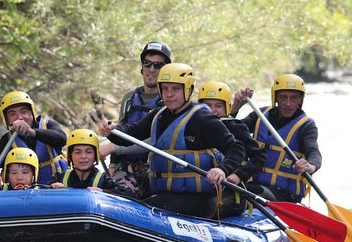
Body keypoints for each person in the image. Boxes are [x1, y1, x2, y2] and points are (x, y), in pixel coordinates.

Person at [98, 63, 245, 218]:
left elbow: (236, 148)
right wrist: (112, 131)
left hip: (197, 200)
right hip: (165, 194)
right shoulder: (158, 115)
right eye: (165, 88)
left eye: (175, 88)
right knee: (135, 201)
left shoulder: (202, 119)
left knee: (145, 210)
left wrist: (222, 169)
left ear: (188, 89)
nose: (169, 94)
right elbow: (131, 134)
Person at [229, 74, 321, 203]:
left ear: (301, 100)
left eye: (294, 98)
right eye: (283, 97)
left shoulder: (306, 126)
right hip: (252, 184)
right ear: (275, 97)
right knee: (228, 190)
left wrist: (310, 166)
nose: (288, 103)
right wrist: (235, 108)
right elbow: (229, 133)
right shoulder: (260, 115)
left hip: (284, 195)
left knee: (247, 192)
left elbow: (314, 152)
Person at [99, 41, 171, 199]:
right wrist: (113, 165)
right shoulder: (129, 98)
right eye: (148, 63)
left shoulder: (170, 101)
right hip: (126, 167)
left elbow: (156, 141)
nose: (151, 69)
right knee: (110, 192)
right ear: (142, 66)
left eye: (158, 65)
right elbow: (121, 133)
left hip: (155, 168)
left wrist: (112, 148)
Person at [199, 81, 267, 217]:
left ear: (227, 107)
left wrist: (238, 175)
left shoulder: (235, 127)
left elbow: (260, 158)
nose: (212, 110)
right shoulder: (196, 127)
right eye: (208, 105)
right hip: (203, 190)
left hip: (232, 194)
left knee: (204, 208)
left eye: (218, 106)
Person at [0, 91, 67, 186]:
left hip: (56, 190)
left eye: (24, 111)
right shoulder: (7, 141)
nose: (19, 117)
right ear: (7, 121)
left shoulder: (48, 126)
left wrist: (32, 132)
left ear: (32, 113)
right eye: (12, 114)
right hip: (25, 196)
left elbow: (62, 140)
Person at [50, 129, 130, 195]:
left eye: (88, 152)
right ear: (70, 156)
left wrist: (103, 191)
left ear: (95, 155)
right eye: (78, 152)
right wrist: (51, 188)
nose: (83, 156)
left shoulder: (103, 180)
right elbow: (40, 190)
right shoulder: (60, 178)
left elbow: (125, 194)